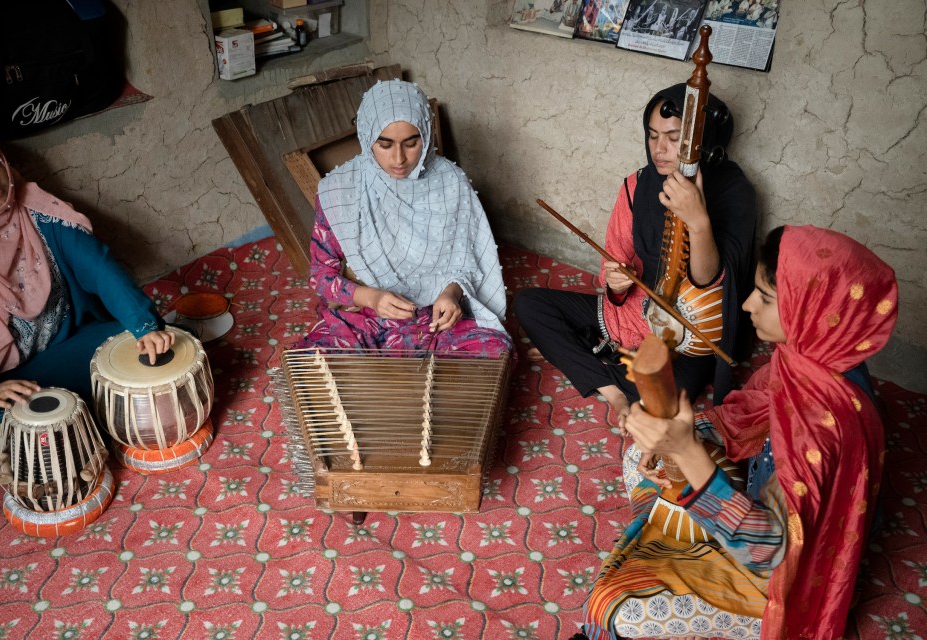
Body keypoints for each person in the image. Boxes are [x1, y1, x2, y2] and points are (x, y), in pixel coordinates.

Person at [578, 225, 898, 639]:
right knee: (641, 458)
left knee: (619, 610)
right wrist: (684, 439)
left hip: (780, 574)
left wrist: (688, 451)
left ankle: (677, 549)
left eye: (765, 297)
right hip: (758, 499)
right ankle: (676, 536)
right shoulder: (811, 355)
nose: (747, 305)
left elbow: (767, 551)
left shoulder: (824, 423)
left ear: (810, 307)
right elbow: (749, 413)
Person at [0, 125, 175, 451]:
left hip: (74, 349)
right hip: (10, 386)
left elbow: (100, 268)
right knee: (45, 445)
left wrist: (143, 326)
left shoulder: (37, 210)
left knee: (158, 349)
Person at [514, 83, 756, 420]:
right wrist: (616, 283)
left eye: (674, 138)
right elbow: (614, 258)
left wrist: (699, 221)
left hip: (685, 339)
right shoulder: (636, 184)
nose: (660, 149)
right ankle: (613, 389)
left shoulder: (733, 191)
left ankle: (600, 366)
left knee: (674, 391)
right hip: (629, 314)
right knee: (529, 304)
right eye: (653, 135)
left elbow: (711, 285)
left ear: (705, 140)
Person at [297, 80, 511, 358]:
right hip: (367, 315)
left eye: (411, 143)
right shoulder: (340, 190)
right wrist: (372, 298)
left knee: (491, 354)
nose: (399, 159)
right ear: (366, 138)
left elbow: (468, 261)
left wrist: (452, 294)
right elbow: (321, 276)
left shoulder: (450, 182)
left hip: (438, 316)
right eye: (384, 144)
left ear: (426, 133)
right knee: (315, 363)